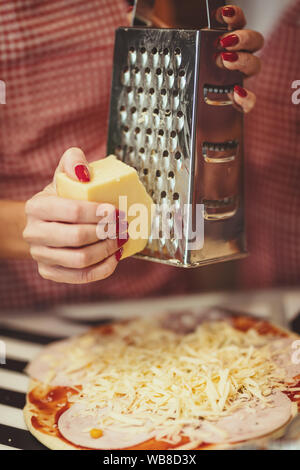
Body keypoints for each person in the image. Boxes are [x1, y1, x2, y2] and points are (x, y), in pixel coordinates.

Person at [0, 2, 263, 309]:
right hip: (28, 308)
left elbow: (156, 37)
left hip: (158, 286)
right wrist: (28, 228)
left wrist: (205, 69)